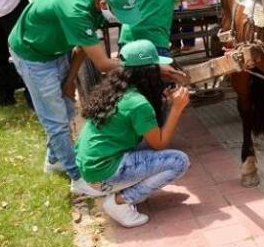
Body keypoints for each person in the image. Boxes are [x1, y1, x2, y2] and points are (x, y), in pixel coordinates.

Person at [8, 0, 153, 195]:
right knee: (56, 121)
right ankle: (78, 178)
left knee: (67, 108)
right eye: (118, 13)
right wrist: (149, 65)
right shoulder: (76, 12)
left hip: (57, 48)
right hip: (33, 55)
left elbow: (82, 48)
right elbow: (103, 64)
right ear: (103, 4)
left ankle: (54, 160)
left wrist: (69, 82)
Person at [75, 39, 191, 228]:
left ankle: (113, 187)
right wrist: (177, 109)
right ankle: (120, 202)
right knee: (179, 161)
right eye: (157, 68)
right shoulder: (138, 103)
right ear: (148, 73)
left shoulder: (117, 89)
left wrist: (168, 102)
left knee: (149, 148)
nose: (161, 72)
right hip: (102, 175)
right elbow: (159, 143)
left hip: (90, 168)